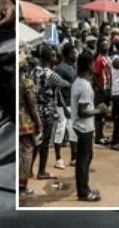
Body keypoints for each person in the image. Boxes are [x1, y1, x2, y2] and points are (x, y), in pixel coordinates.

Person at [71, 51, 107, 202]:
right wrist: (99, 110)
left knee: (85, 158)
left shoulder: (78, 82)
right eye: (92, 63)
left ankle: (84, 188)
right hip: (83, 127)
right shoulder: (84, 86)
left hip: (82, 127)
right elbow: (83, 111)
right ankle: (83, 192)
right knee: (83, 160)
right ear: (89, 66)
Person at [32, 45, 68, 182]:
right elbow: (65, 84)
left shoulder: (34, 70)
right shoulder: (51, 74)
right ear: (48, 57)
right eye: (53, 56)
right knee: (45, 143)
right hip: (47, 111)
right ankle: (42, 171)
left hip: (35, 110)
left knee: (35, 142)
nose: (55, 58)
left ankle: (29, 170)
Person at [18, 57, 42, 197]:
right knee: (27, 152)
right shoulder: (27, 82)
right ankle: (22, 186)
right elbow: (32, 106)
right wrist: (39, 123)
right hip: (24, 121)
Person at [53, 42, 78, 170]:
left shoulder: (72, 67)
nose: (76, 55)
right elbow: (57, 90)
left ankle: (74, 157)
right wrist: (63, 106)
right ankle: (58, 158)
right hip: (62, 105)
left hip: (72, 103)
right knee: (60, 130)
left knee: (73, 130)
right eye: (74, 53)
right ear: (68, 54)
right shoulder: (60, 69)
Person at [92, 38, 112, 146]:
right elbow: (95, 75)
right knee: (99, 114)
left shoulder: (107, 58)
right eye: (103, 45)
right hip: (101, 90)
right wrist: (100, 88)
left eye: (107, 45)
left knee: (103, 114)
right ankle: (98, 137)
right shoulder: (99, 59)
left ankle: (102, 135)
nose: (106, 47)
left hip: (107, 89)